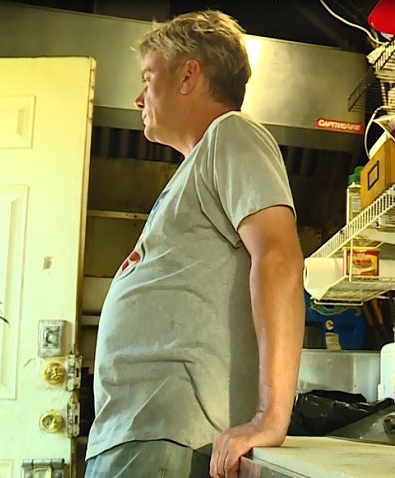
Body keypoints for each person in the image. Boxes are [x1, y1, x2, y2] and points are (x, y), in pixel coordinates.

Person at [84, 9, 305, 478]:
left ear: (188, 74)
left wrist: (271, 415)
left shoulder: (232, 133)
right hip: (142, 431)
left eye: (148, 77)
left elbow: (280, 257)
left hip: (171, 434)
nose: (138, 96)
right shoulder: (196, 166)